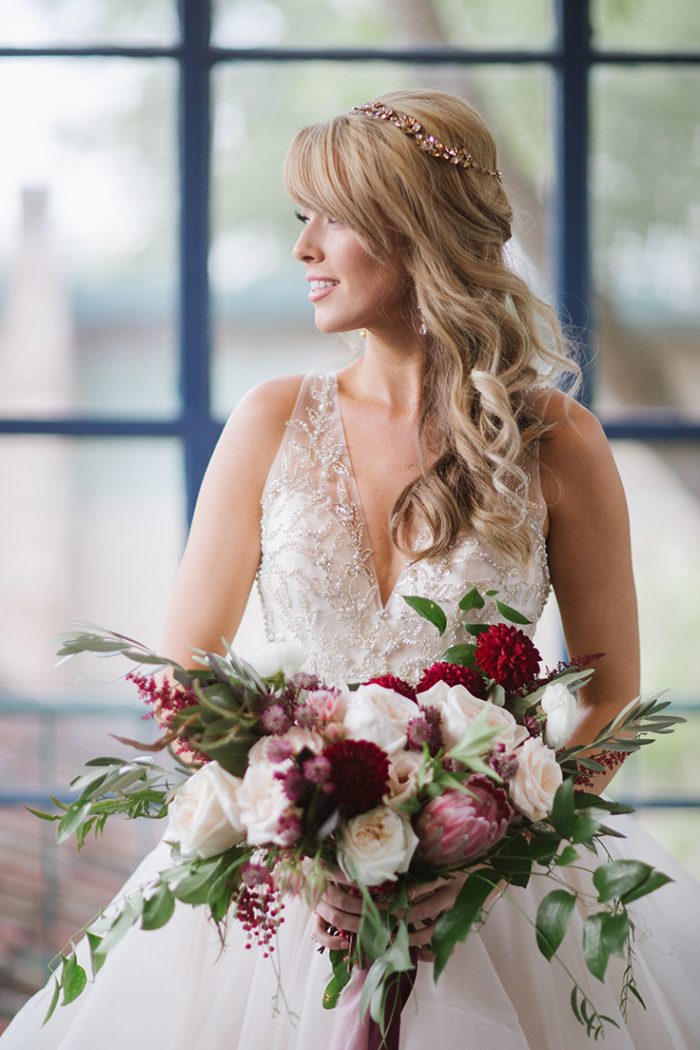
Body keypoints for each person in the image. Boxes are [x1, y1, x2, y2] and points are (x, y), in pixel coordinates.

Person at [2, 89, 699, 1049]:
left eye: (334, 219)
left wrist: (487, 844)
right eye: (302, 219)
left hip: (498, 896)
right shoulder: (269, 421)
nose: (304, 249)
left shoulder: (557, 440)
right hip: (276, 887)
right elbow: (183, 676)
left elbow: (612, 691)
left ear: (416, 229)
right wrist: (300, 840)